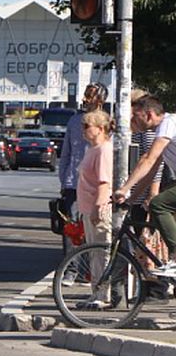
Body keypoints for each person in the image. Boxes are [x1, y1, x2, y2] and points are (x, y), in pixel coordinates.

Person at [114, 95, 176, 277]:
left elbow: (148, 160)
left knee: (158, 204)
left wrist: (124, 189)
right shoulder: (164, 132)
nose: (133, 120)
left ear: (148, 115)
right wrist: (131, 199)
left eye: (136, 116)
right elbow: (150, 172)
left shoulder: (167, 123)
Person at [58, 82, 108, 250]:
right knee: (72, 226)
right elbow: (66, 153)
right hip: (73, 183)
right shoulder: (74, 121)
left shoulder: (107, 122)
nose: (86, 98)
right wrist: (64, 179)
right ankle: (71, 268)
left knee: (94, 227)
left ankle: (90, 267)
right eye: (86, 94)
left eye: (91, 95)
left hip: (97, 184)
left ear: (100, 99)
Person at [76, 108, 114, 307]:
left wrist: (97, 208)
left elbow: (104, 182)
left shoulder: (103, 150)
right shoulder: (92, 149)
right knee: (94, 252)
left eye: (86, 126)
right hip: (87, 206)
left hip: (97, 208)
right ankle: (96, 291)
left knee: (101, 251)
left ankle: (103, 294)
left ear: (100, 128)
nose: (83, 130)